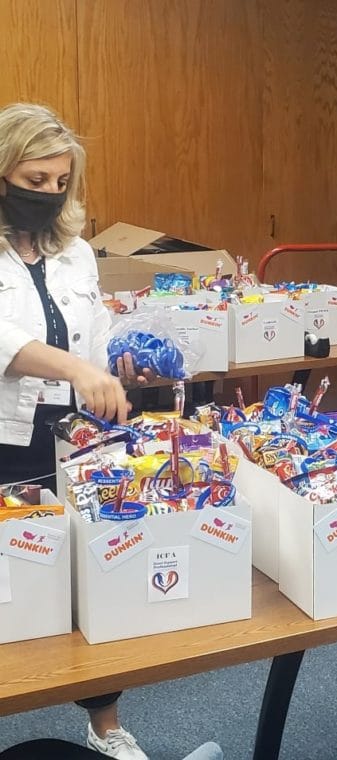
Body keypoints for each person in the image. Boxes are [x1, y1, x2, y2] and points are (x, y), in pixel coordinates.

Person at [0, 103, 147, 759]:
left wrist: (117, 360)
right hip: (10, 435)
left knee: (97, 568)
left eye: (61, 181)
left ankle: (106, 725)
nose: (50, 194)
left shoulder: (76, 250)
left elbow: (97, 332)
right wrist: (70, 366)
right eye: (36, 181)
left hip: (80, 433)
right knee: (14, 576)